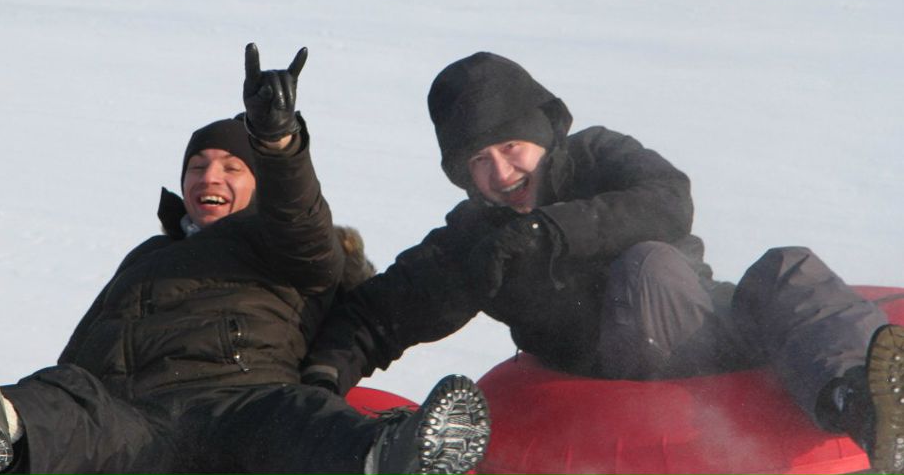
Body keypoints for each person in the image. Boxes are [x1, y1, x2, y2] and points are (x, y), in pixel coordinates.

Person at [0, 45, 491, 475]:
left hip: (238, 397)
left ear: (260, 183)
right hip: (133, 415)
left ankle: (394, 458)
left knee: (298, 418)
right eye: (197, 166)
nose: (208, 176)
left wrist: (277, 145)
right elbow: (86, 348)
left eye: (229, 166)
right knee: (68, 395)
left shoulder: (284, 241)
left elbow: (299, 219)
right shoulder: (149, 257)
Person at [302, 51, 904, 475]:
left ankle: (868, 408)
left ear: (545, 134)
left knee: (784, 268)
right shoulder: (476, 241)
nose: (502, 174)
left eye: (512, 147)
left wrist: (549, 231)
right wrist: (318, 386)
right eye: (478, 161)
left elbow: (667, 203)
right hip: (622, 385)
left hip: (711, 331)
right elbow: (382, 313)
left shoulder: (597, 154)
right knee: (644, 274)